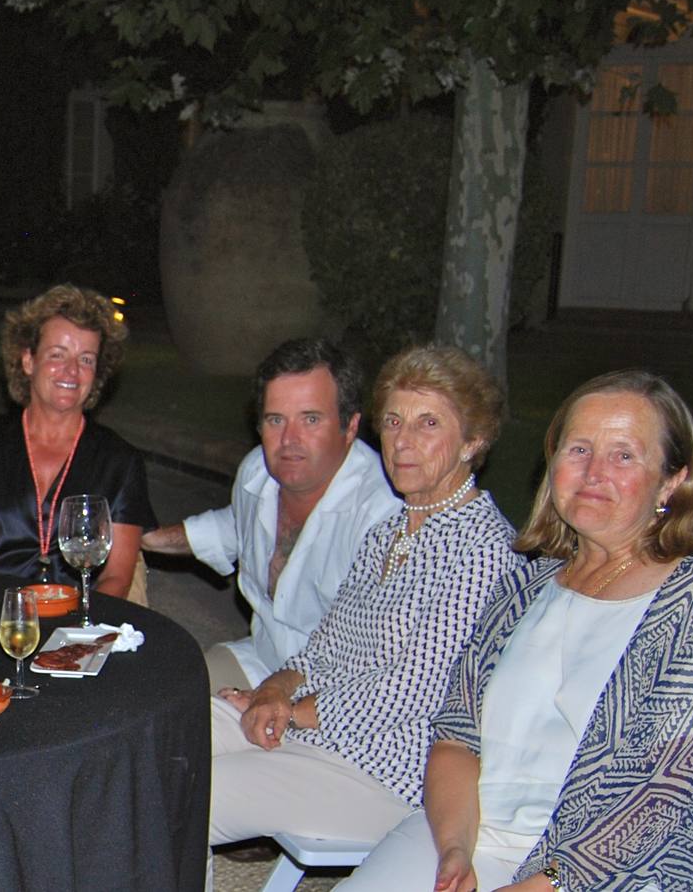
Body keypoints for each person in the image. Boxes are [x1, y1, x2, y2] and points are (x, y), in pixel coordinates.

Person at [340, 370, 693, 891]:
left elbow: (669, 790)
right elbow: (455, 736)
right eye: (578, 449)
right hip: (475, 833)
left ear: (672, 480)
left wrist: (543, 883)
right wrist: (453, 850)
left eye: (624, 455)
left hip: (621, 868)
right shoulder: (527, 586)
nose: (594, 473)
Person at [208, 345, 518, 854]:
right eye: (394, 422)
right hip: (318, 729)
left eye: (428, 424)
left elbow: (410, 691)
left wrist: (290, 711)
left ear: (473, 440)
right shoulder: (391, 531)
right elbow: (323, 646)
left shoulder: (484, 550)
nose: (403, 442)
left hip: (387, 771)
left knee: (190, 793)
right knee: (166, 742)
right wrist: (274, 689)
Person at [140, 338, 401, 691]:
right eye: (276, 420)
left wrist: (275, 703)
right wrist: (145, 537)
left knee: (201, 739)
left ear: (350, 426)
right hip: (262, 659)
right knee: (162, 702)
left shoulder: (382, 515)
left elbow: (382, 661)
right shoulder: (258, 473)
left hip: (339, 692)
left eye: (311, 419)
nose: (289, 439)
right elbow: (235, 527)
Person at [0, 285, 156, 601]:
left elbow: (116, 577)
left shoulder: (121, 462)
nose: (71, 371)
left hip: (71, 621)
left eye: (86, 359)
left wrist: (77, 636)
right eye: (57, 355)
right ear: (28, 360)